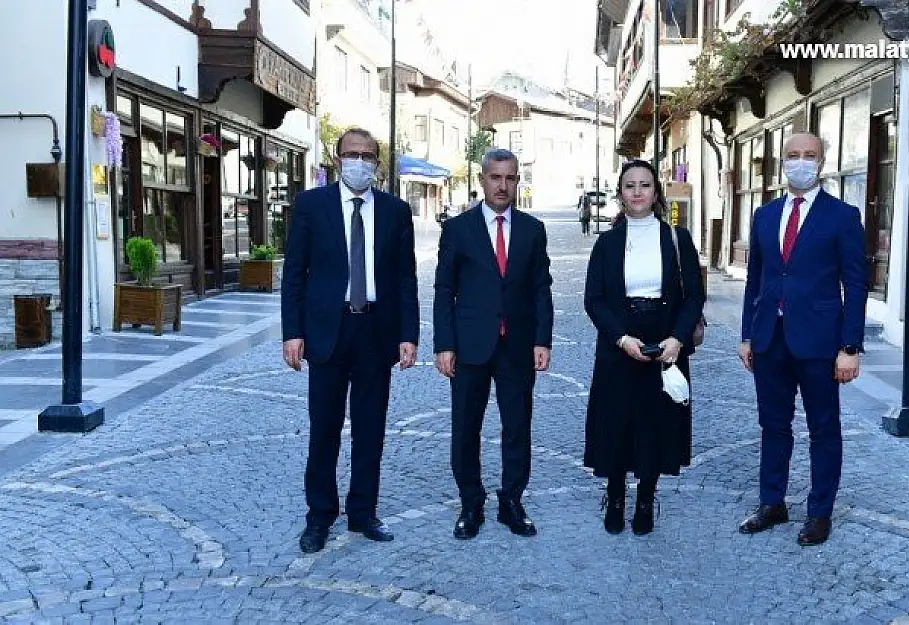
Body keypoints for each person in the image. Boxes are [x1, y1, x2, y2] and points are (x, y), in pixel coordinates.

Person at [281, 128, 420, 554]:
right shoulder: (310, 206)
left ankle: (363, 512)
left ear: (378, 162)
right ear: (336, 159)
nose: (359, 162)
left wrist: (408, 335)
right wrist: (293, 332)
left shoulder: (396, 212)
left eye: (367, 155)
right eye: (351, 154)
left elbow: (405, 279)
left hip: (376, 332)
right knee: (324, 429)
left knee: (370, 429)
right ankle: (319, 517)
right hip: (327, 330)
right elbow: (294, 275)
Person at [738, 132, 867, 547]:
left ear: (822, 162)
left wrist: (850, 347)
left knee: (823, 428)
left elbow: (856, 285)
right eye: (793, 155)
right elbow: (755, 280)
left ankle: (819, 512)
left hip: (821, 344)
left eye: (809, 155)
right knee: (772, 425)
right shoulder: (764, 215)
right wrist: (746, 335)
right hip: (769, 339)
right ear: (781, 162)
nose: (801, 161)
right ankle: (772, 502)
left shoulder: (843, 217)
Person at [433, 148, 555, 540]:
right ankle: (471, 503)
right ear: (482, 180)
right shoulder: (458, 229)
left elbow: (541, 288)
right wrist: (444, 344)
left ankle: (511, 502)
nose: (502, 185)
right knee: (466, 427)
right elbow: (444, 289)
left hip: (518, 345)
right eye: (495, 177)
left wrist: (542, 338)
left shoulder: (533, 230)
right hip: (470, 345)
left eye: (510, 178)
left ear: (518, 181)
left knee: (517, 425)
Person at [583, 159, 705, 536]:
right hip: (620, 339)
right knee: (617, 421)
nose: (637, 191)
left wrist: (678, 338)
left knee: (656, 422)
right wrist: (620, 337)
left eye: (645, 185)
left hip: (666, 338)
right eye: (630, 185)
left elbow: (694, 296)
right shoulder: (607, 242)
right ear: (620, 194)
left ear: (656, 192)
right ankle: (616, 495)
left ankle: (647, 498)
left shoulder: (676, 238)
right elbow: (595, 299)